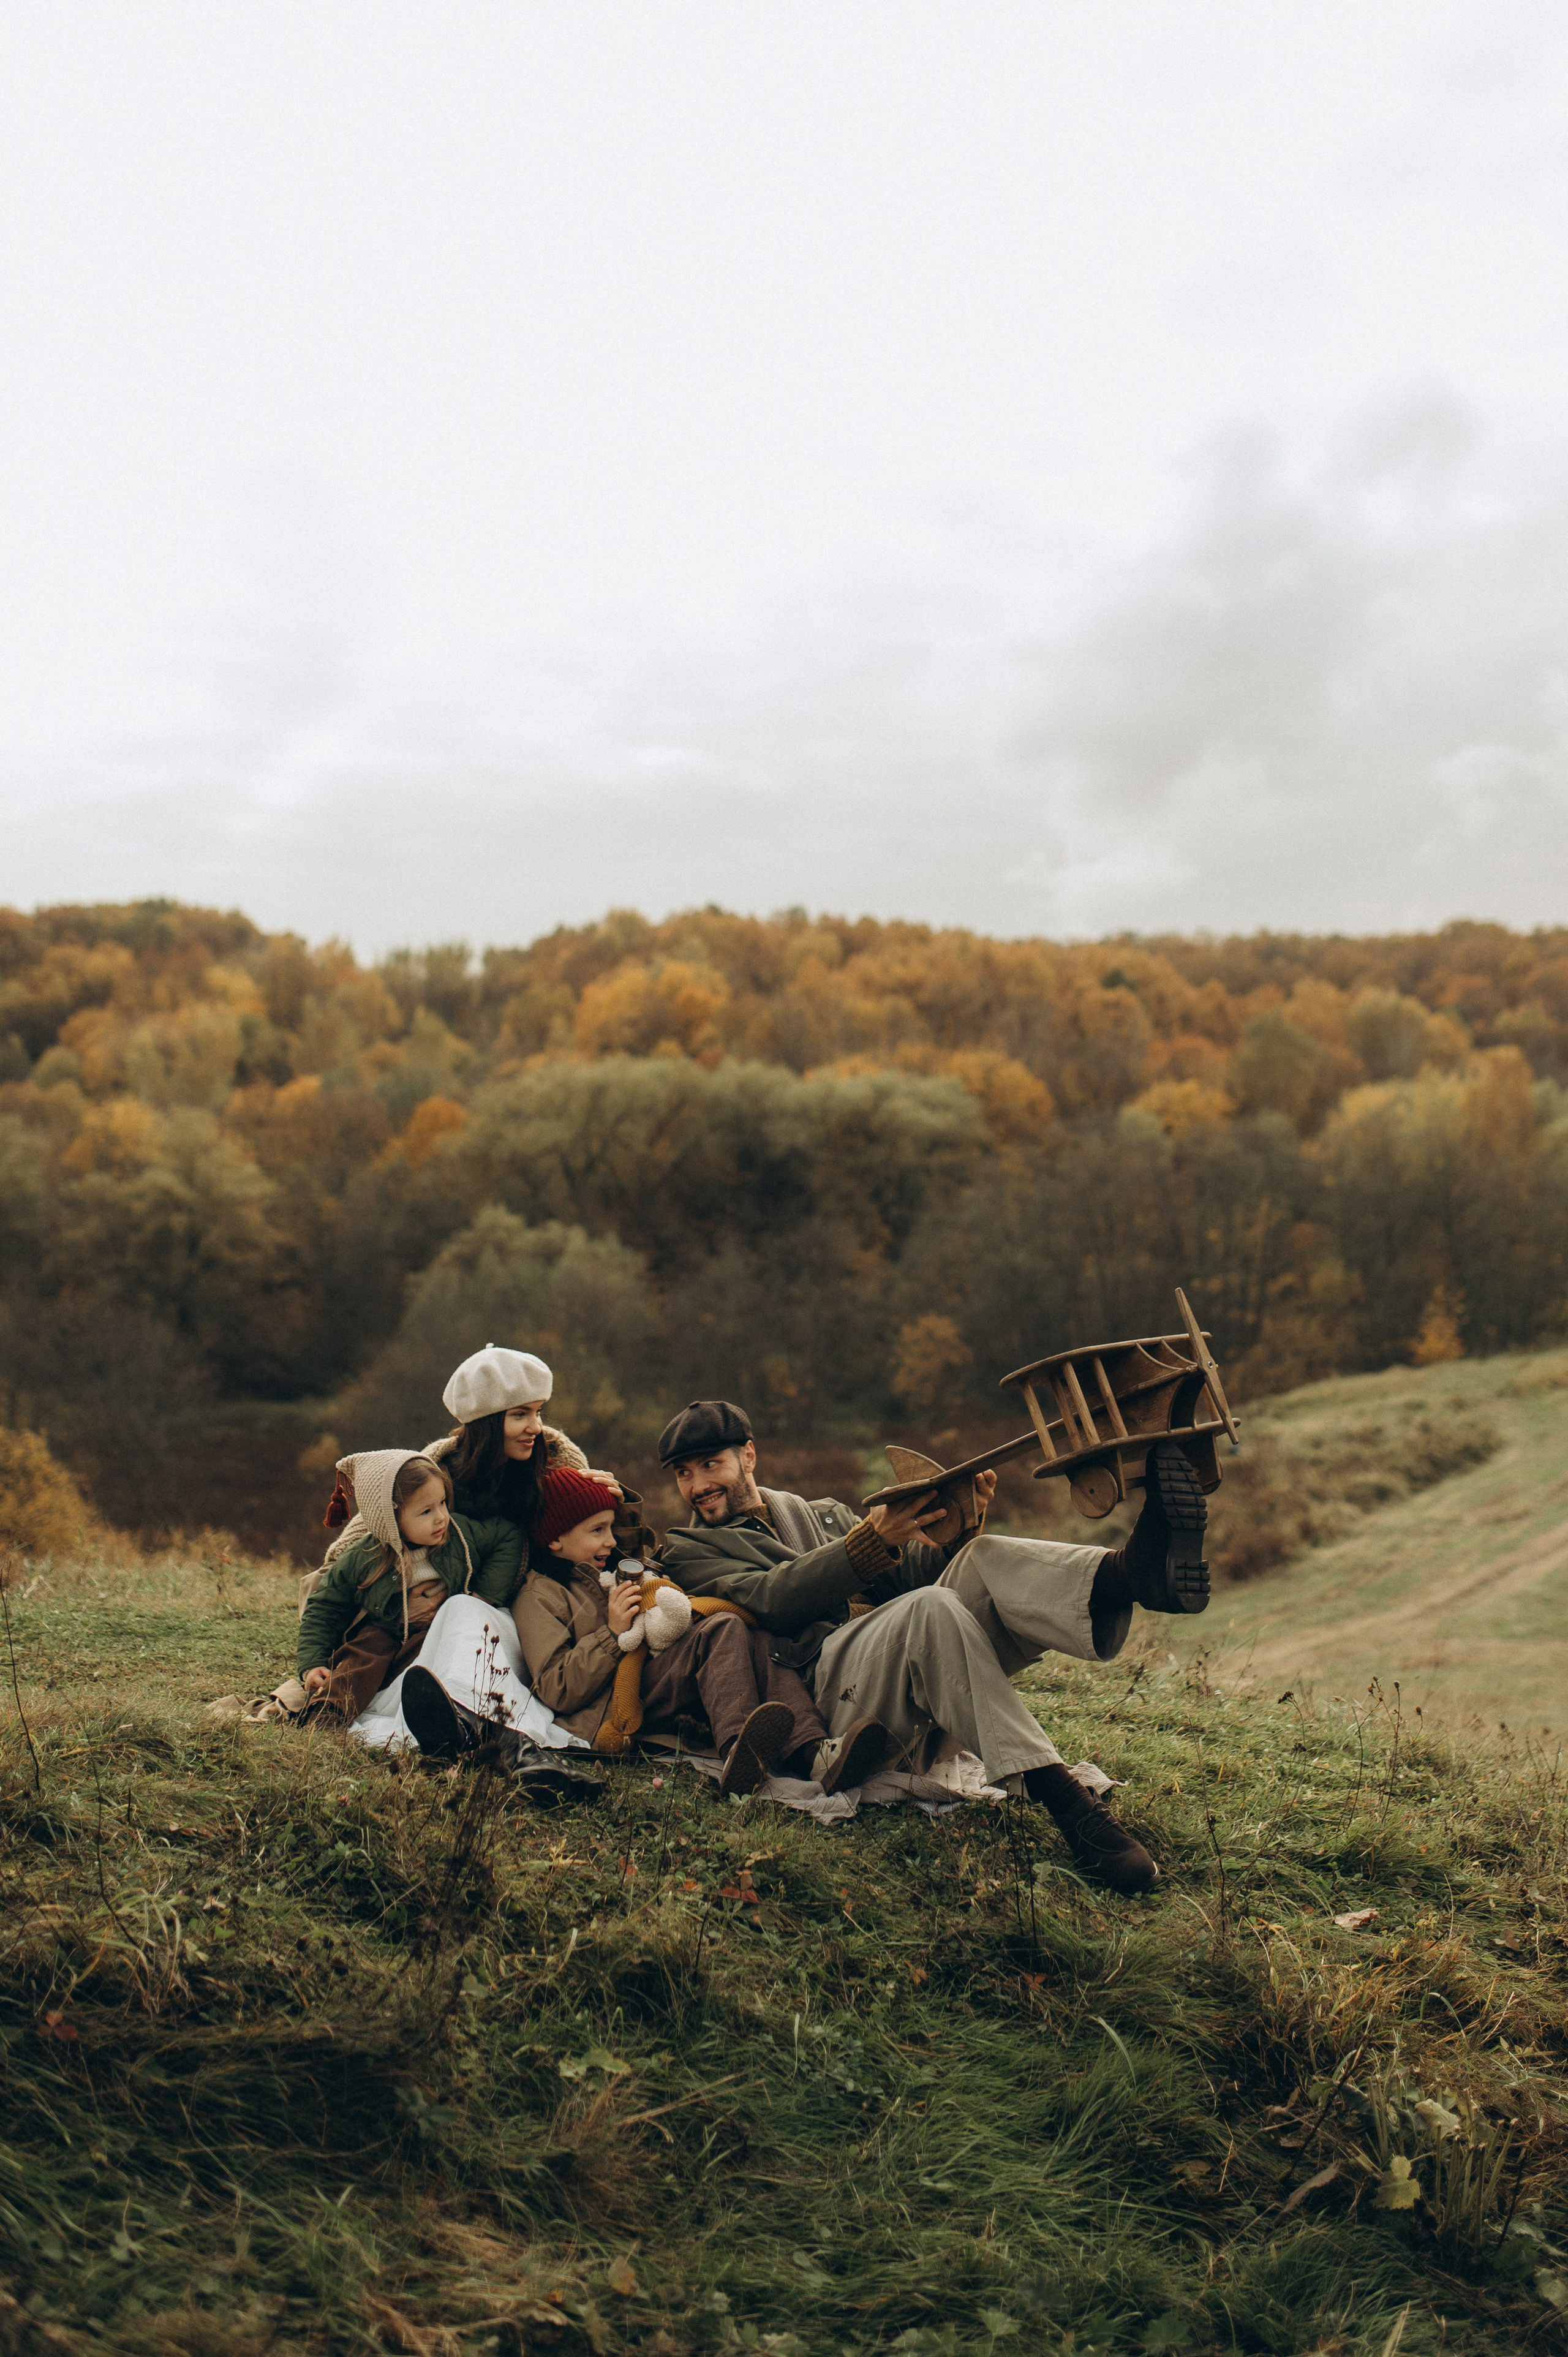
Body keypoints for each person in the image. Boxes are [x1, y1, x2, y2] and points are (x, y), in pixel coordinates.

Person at [656, 1401, 1215, 1894]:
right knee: (931, 1611)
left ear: (748, 1457)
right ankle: (1067, 1802)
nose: (699, 1484)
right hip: (819, 1693)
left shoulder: (819, 1513)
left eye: (712, 1465)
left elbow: (906, 1581)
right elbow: (770, 1599)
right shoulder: (687, 1551)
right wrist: (873, 1540)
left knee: (981, 1558)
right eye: (684, 1473)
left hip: (884, 1663)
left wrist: (958, 1526)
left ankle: (1133, 1576)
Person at [513, 1468, 889, 1797]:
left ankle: (815, 1752)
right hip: (610, 1703)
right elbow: (556, 1688)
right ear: (555, 1539)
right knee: (722, 1627)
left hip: (648, 1670)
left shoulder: (609, 1570)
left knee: (758, 1637)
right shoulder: (539, 1595)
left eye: (611, 1528)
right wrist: (611, 1635)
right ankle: (739, 1751)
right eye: (597, 1530)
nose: (611, 1541)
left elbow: (639, 1560)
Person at [300, 1447, 524, 1722]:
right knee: (364, 1654)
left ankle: (454, 1712)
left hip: (442, 1629)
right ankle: (330, 1710)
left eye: (442, 1503)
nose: (441, 1517)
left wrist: (484, 1596)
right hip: (388, 1631)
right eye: (426, 1511)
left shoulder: (460, 1534)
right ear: (390, 1519)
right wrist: (313, 1664)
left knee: (448, 1660)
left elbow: (508, 1537)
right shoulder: (364, 1558)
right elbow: (325, 1607)